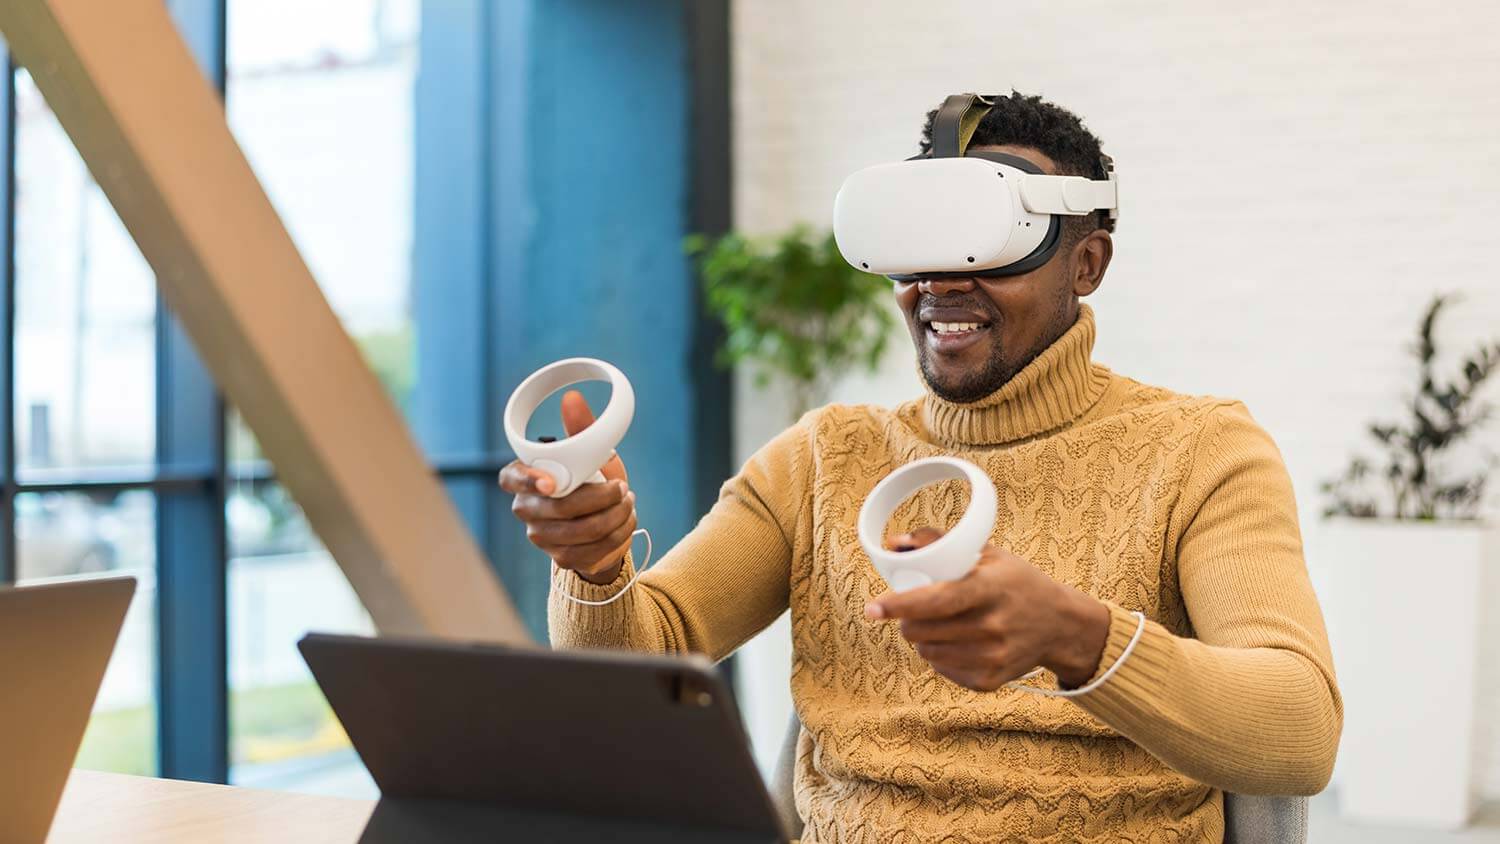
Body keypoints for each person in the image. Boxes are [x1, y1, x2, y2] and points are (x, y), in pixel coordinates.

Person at [500, 91, 1341, 843]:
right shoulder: (822, 458)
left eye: (989, 242)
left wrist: (1077, 637)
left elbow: (1300, 733)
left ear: (1086, 264)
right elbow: (645, 659)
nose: (941, 281)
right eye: (920, 244)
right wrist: (595, 568)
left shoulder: (1201, 451)